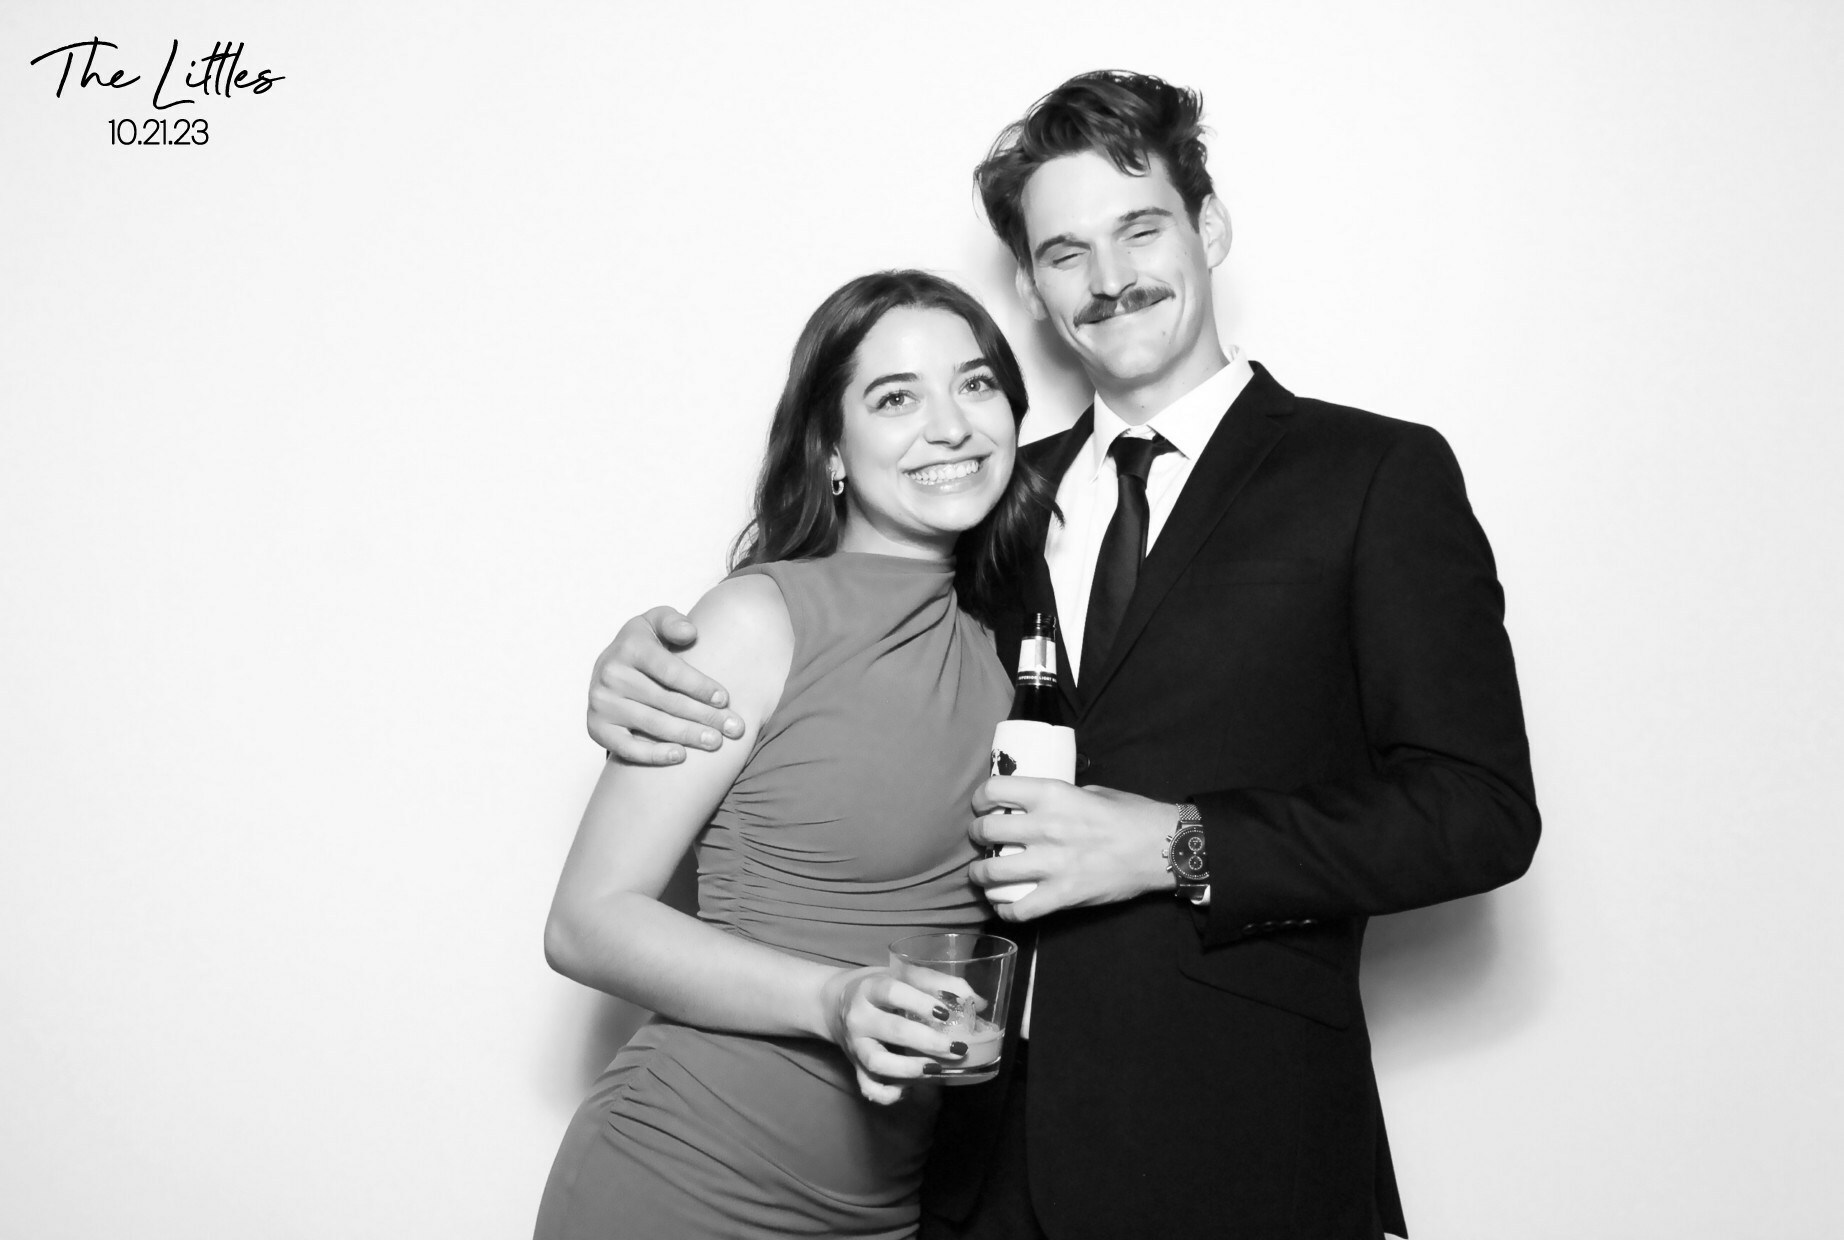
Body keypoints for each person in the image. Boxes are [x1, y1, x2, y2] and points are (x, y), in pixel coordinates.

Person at [587, 72, 1540, 1240]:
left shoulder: (1373, 476)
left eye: (1139, 228)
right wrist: (646, 658)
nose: (1108, 276)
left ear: (1208, 228)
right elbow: (837, 642)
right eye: (1063, 252)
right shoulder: (990, 500)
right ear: (1032, 289)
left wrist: (1179, 842)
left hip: (1245, 1145)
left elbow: (1477, 811)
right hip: (975, 1160)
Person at [534, 269, 1058, 1240]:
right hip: (683, 1179)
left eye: (975, 384)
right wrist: (835, 996)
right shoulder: (756, 621)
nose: (949, 425)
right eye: (895, 398)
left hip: (881, 1208)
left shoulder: (1005, 651)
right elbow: (586, 922)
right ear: (829, 451)